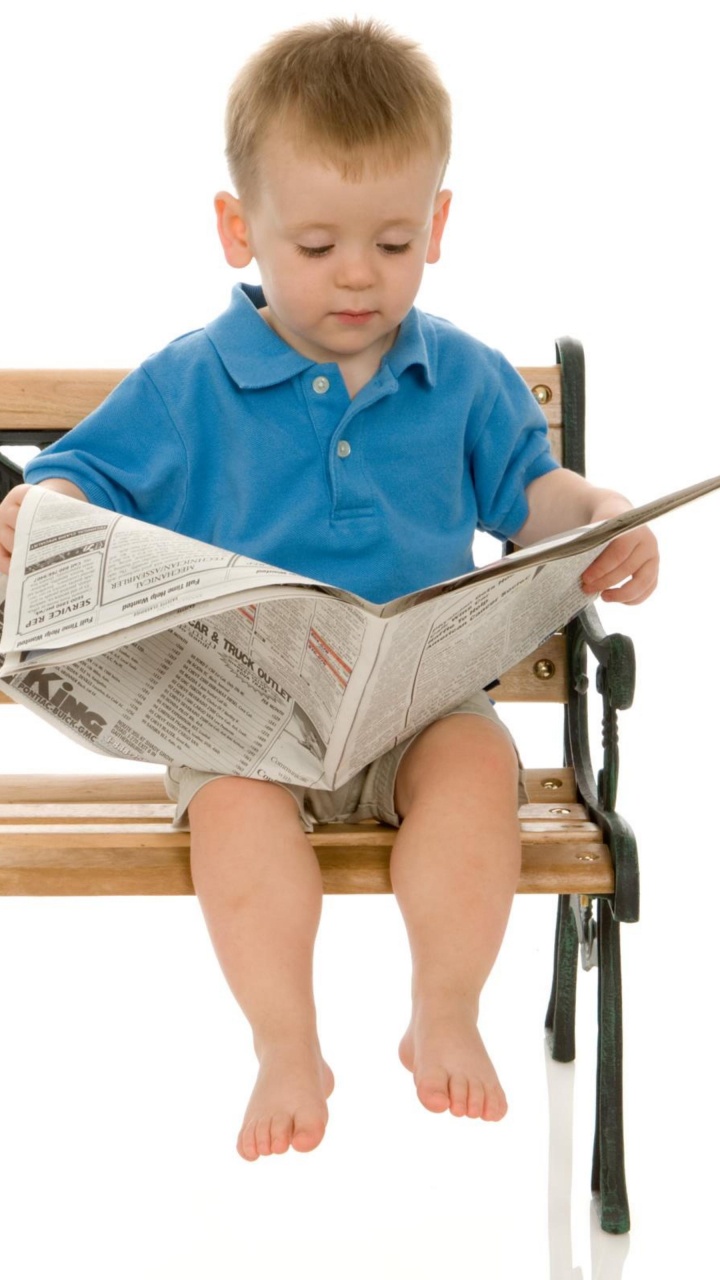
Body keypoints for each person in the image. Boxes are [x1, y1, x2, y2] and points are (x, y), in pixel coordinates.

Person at [0, 18, 658, 1162]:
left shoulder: (463, 376)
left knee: (474, 780)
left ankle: (443, 1004)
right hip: (251, 717)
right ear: (237, 229)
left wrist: (601, 519)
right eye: (315, 246)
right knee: (238, 821)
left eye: (394, 241)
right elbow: (72, 479)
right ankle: (285, 1039)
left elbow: (532, 494)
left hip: (418, 706)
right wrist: (38, 513)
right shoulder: (188, 381)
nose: (359, 273)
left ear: (438, 226)